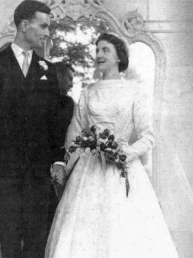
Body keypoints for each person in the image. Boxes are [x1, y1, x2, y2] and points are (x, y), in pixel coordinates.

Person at [45, 33, 179, 258]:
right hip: (88, 171)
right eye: (97, 50)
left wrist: (125, 152)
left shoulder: (134, 91)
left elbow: (148, 137)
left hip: (122, 170)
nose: (98, 55)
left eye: (105, 50)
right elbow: (75, 135)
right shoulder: (88, 92)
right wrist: (64, 167)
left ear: (119, 57)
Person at [0, 1, 65, 257]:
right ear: (25, 25)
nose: (47, 32)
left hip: (38, 171)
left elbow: (54, 121)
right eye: (43, 26)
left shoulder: (49, 69)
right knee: (10, 240)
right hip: (5, 169)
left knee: (37, 239)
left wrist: (58, 159)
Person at [51, 62, 75, 198]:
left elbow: (65, 134)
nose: (71, 85)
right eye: (70, 79)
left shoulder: (67, 103)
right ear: (59, 76)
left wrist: (59, 162)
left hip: (59, 164)